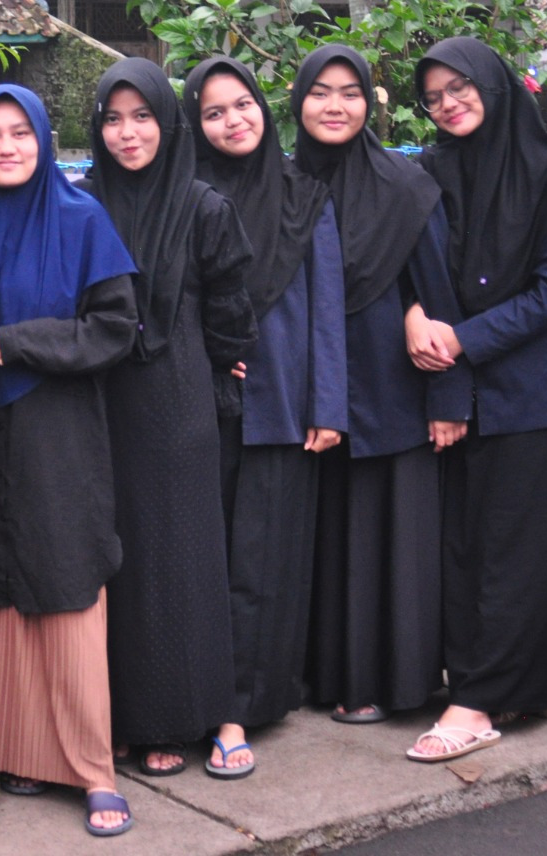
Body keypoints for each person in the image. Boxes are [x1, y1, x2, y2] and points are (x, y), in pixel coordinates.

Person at [0, 84, 138, 836]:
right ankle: (15, 753)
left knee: (64, 581)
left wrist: (23, 340)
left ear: (43, 139)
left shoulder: (80, 217)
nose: (5, 148)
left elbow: (114, 328)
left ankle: (92, 770)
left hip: (57, 430)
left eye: (20, 133)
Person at [404, 37, 547, 763]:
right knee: (462, 548)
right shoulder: (431, 172)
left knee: (519, 552)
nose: (448, 104)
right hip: (456, 387)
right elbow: (412, 269)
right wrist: (414, 318)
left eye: (460, 87)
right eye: (433, 97)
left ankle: (479, 702)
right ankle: (490, 683)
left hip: (532, 391)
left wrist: (460, 340)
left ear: (492, 83)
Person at [84, 56, 257, 778]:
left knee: (183, 562)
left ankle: (187, 717)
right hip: (101, 403)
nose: (128, 134)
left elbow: (231, 315)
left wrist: (218, 374)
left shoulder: (203, 207)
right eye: (113, 120)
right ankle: (128, 718)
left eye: (143, 117)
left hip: (180, 402)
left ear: (167, 121)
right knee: (118, 563)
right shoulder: (83, 204)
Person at [292, 44, 472, 730]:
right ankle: (326, 676)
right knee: (328, 540)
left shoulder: (404, 185)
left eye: (350, 93)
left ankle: (390, 681)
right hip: (314, 392)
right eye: (320, 92)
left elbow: (439, 294)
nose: (335, 106)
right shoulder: (285, 183)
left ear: (369, 103)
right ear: (298, 102)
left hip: (394, 390)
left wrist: (448, 398)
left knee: (390, 540)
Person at [187, 56, 346, 779]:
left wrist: (327, 405)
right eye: (213, 112)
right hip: (201, 407)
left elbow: (326, 309)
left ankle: (246, 707)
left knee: (266, 562)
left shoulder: (304, 196)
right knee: (206, 561)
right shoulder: (185, 196)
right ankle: (197, 702)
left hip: (283, 404)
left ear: (262, 106)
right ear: (195, 124)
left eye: (243, 104)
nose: (233, 121)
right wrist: (210, 353)